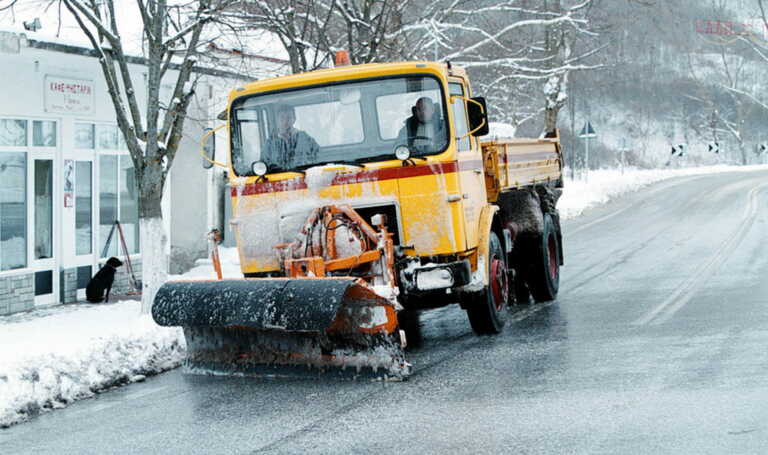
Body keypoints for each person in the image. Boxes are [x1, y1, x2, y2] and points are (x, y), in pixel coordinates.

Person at [265, 104, 320, 169]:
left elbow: (318, 156)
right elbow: (264, 165)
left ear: (294, 119)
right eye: (282, 117)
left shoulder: (305, 138)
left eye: (289, 117)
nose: (285, 121)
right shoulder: (270, 144)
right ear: (277, 120)